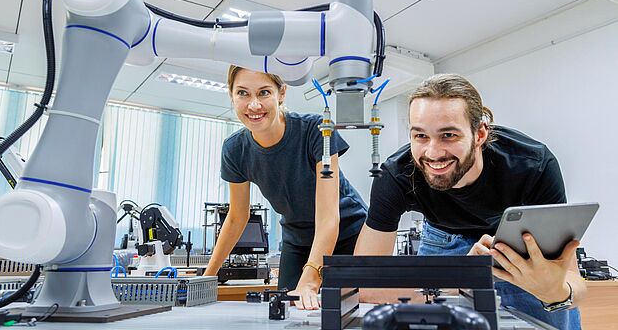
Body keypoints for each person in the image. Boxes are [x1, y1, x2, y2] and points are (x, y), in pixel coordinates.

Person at [354, 73, 586, 329]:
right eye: (420, 136)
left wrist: (555, 293)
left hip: (516, 245)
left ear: (480, 134)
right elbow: (364, 284)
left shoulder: (534, 165)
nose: (432, 153)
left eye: (449, 135)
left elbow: (574, 285)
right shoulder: (396, 174)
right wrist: (461, 280)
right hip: (442, 239)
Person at [204, 65, 367, 310]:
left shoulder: (316, 129)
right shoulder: (235, 149)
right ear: (231, 95)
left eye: (264, 92)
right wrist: (207, 278)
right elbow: (237, 217)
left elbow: (327, 216)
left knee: (348, 309)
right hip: (297, 238)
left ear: (282, 93)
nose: (254, 105)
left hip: (347, 232)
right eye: (243, 93)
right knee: (286, 309)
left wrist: (312, 279)